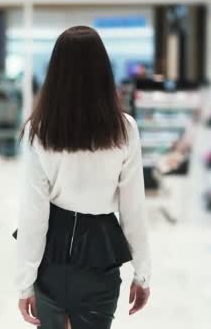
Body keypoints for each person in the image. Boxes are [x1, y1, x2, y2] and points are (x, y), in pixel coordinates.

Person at [16, 26, 152, 329]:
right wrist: (142, 274)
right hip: (100, 257)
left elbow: (33, 215)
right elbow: (134, 208)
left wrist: (25, 283)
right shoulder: (124, 129)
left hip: (52, 257)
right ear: (104, 71)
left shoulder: (38, 131)